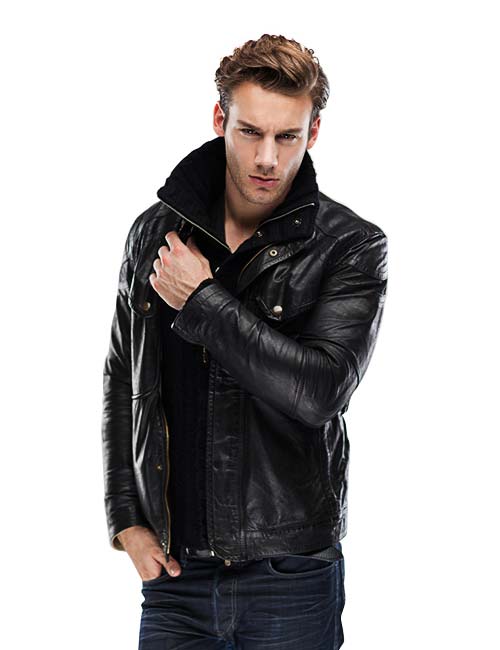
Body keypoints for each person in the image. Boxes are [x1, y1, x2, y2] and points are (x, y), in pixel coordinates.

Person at [101, 33, 388, 650]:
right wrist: (126, 518)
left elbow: (319, 392)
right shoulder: (153, 234)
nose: (266, 158)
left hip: (290, 574)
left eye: (287, 137)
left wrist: (203, 300)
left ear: (313, 133)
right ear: (219, 120)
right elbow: (123, 377)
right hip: (175, 576)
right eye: (250, 132)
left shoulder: (350, 246)